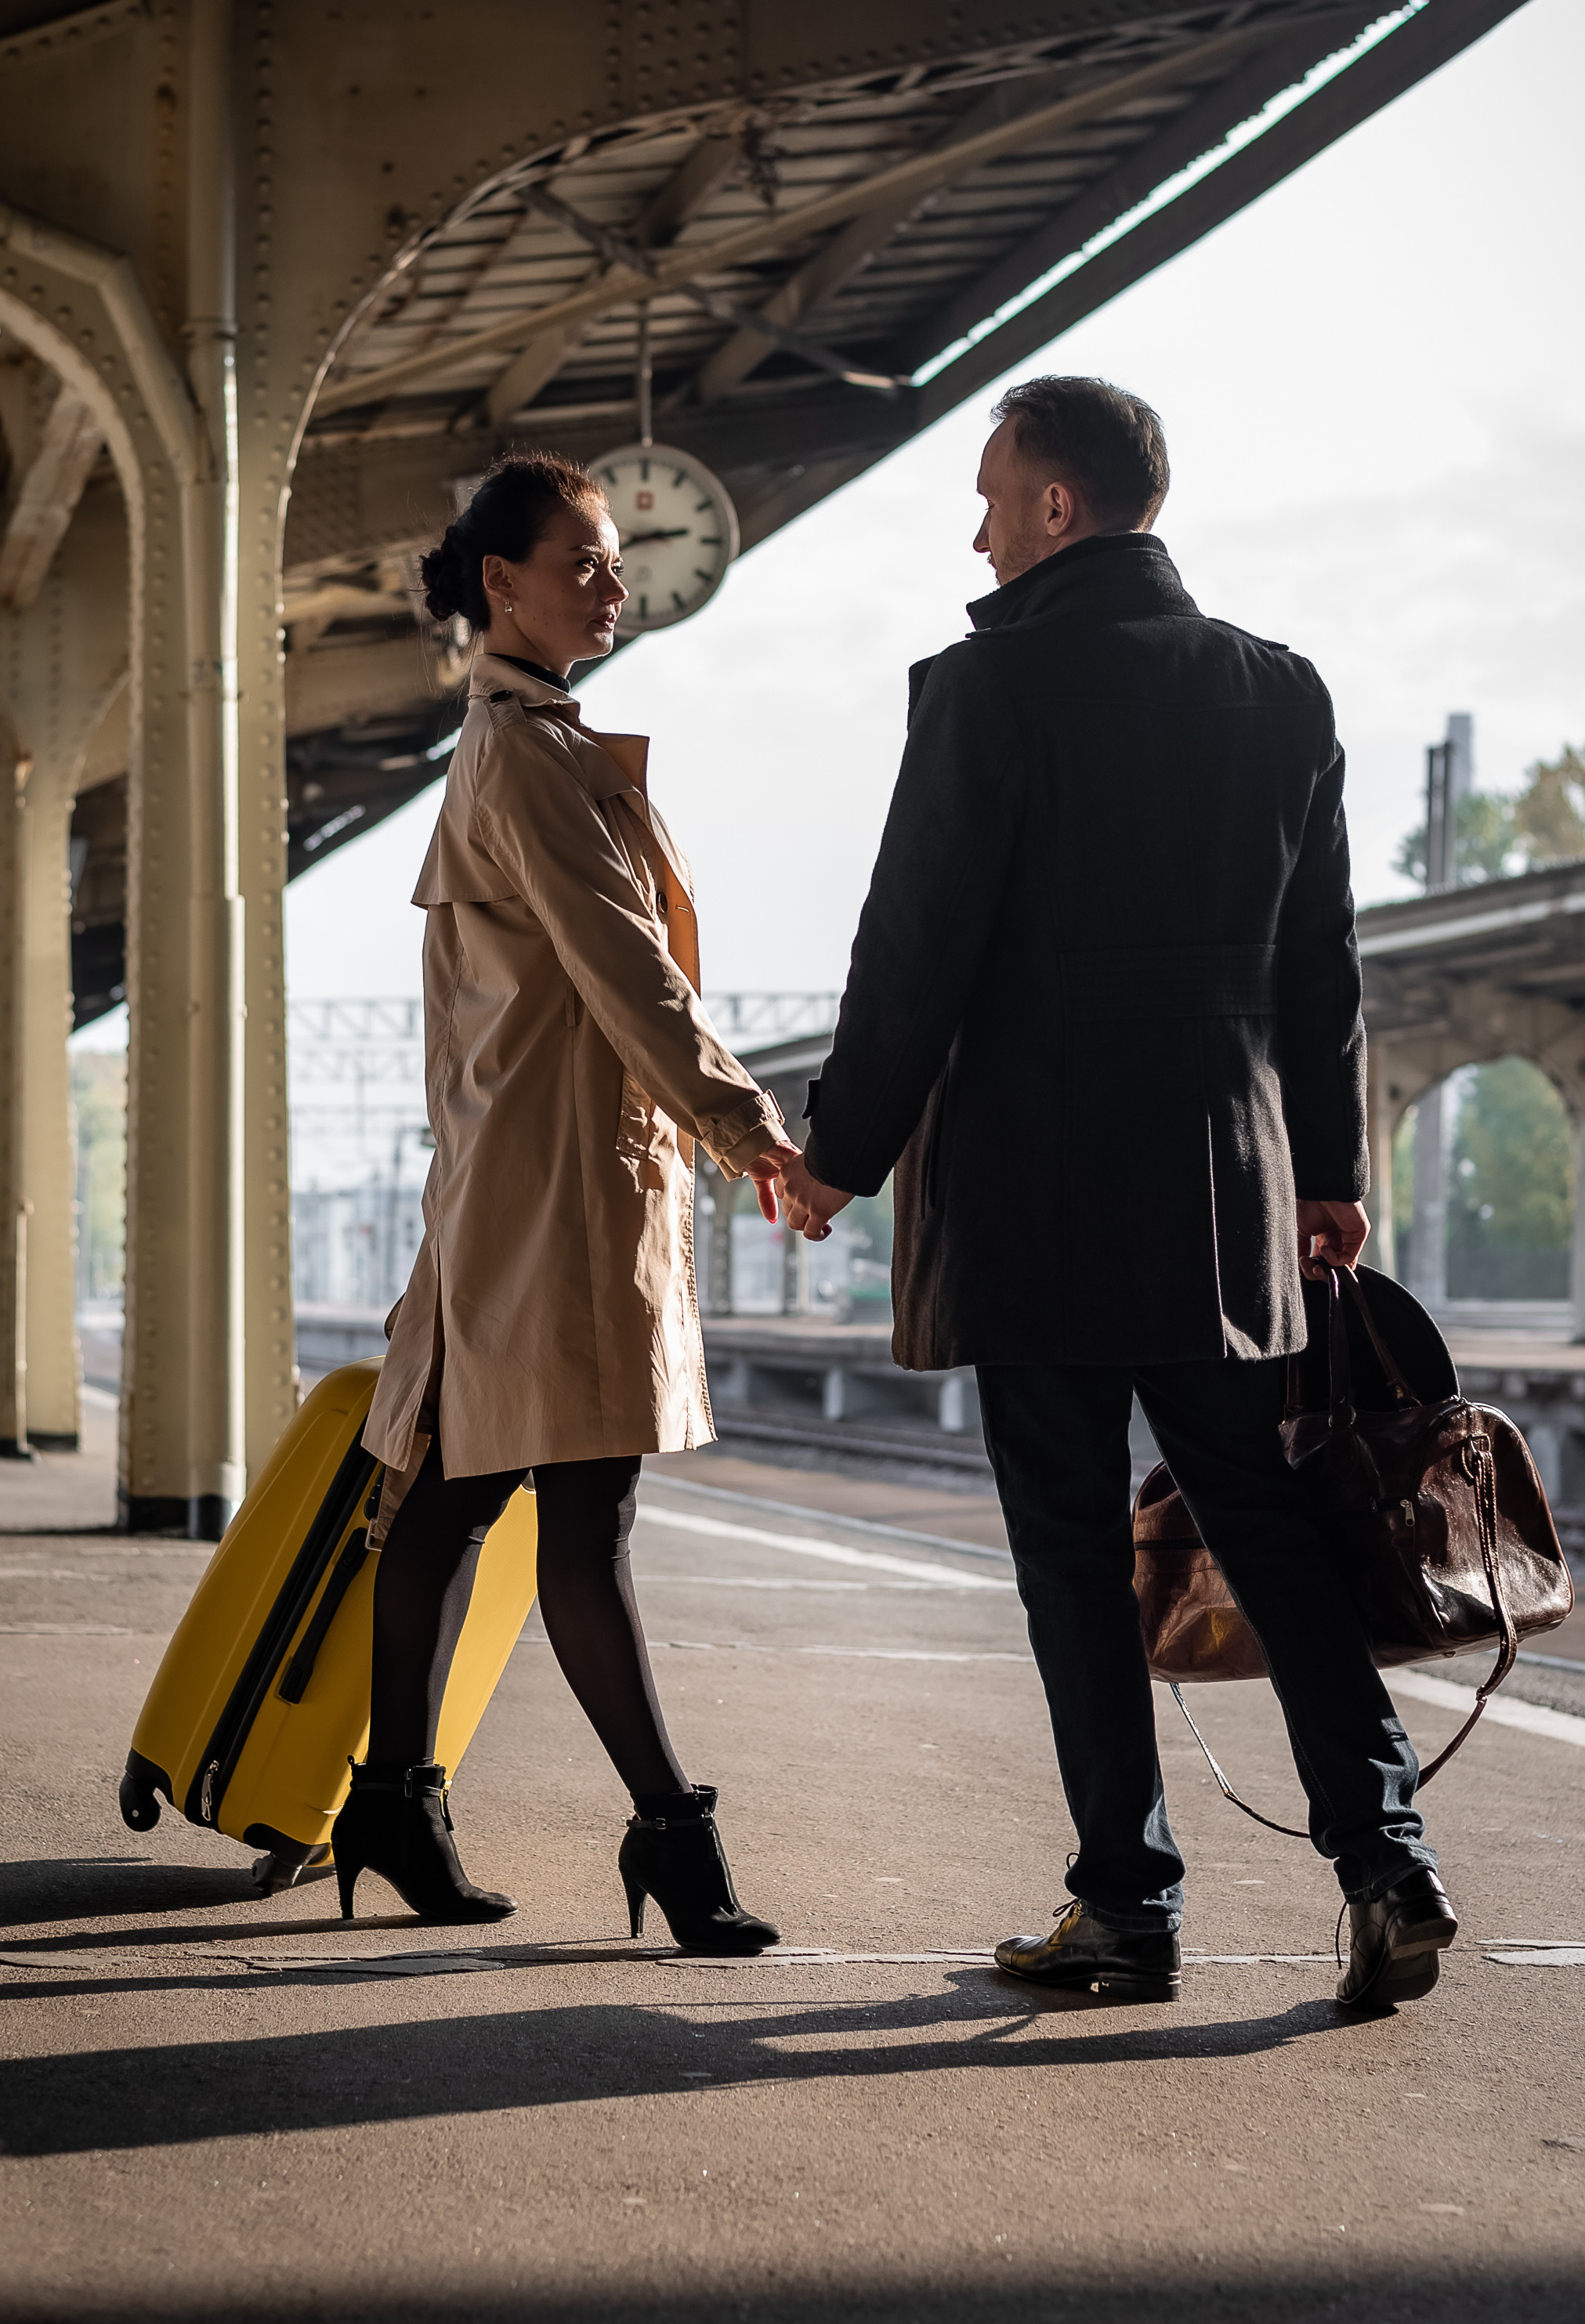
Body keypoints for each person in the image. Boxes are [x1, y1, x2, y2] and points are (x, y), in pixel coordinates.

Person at [780, 376, 1456, 2012]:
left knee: (1074, 1558)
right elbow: (1323, 966)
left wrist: (836, 1152)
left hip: (1034, 1198)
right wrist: (1329, 1170)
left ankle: (1126, 1902)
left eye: (990, 498)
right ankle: (1386, 1862)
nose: (978, 534)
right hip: (1221, 1199)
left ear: (1057, 505)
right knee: (1270, 1529)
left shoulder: (985, 688)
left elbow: (914, 951)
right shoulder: (1280, 692)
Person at [342, 450, 794, 1952]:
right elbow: (627, 971)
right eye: (585, 559)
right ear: (503, 582)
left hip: (530, 1177)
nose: (614, 583)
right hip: (551, 1193)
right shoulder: (527, 753)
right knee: (582, 1515)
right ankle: (672, 1836)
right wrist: (751, 1128)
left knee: (460, 1490)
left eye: (614, 560)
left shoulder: (523, 740)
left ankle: (393, 1801)